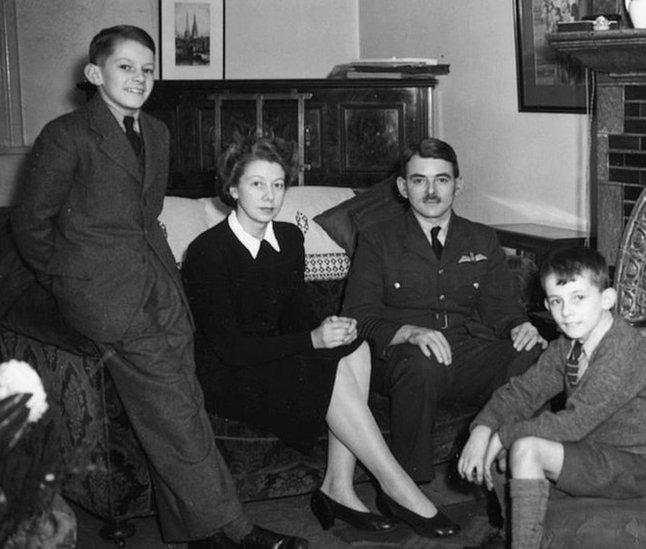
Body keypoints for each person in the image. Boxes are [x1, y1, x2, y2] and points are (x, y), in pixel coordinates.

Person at [10, 26, 305, 548]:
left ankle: (194, 531)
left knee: (180, 402)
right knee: (174, 407)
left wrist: (170, 282)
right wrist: (67, 278)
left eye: (148, 69)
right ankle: (236, 530)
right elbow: (31, 223)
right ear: (95, 73)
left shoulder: (159, 134)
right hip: (103, 297)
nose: (139, 78)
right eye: (126, 67)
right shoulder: (67, 134)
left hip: (160, 288)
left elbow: (146, 218)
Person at [181, 135, 460, 539]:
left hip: (278, 356)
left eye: (278, 185)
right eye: (257, 184)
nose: (269, 195)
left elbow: (297, 318)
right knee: (327, 359)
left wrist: (329, 330)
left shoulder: (290, 239)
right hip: (228, 371)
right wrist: (312, 340)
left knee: (355, 346)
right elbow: (230, 348)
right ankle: (397, 487)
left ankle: (339, 487)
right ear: (232, 188)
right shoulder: (208, 251)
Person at [342, 138, 547, 485]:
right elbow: (357, 314)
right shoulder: (377, 238)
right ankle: (408, 488)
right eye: (419, 180)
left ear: (458, 185)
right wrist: (408, 332)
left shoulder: (480, 238)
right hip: (403, 356)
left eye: (442, 179)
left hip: (464, 351)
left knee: (534, 353)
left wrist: (519, 325)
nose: (432, 191)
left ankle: (508, 465)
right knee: (418, 364)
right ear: (403, 187)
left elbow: (502, 306)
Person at [458, 247, 646, 548]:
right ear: (547, 304)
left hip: (634, 465)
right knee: (503, 440)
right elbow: (524, 391)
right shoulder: (569, 344)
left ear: (607, 299)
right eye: (557, 301)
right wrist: (483, 429)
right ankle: (522, 531)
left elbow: (574, 424)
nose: (567, 312)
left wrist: (503, 436)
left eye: (579, 298)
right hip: (594, 448)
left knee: (524, 448)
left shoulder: (621, 350)